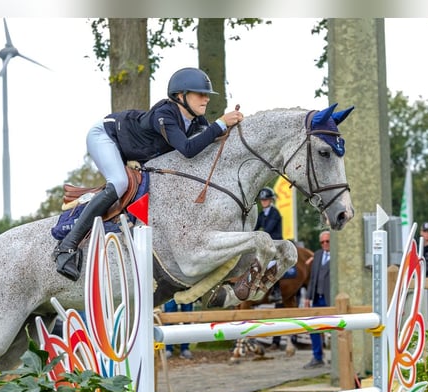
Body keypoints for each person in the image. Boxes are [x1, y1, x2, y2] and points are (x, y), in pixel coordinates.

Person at [55, 67, 244, 281]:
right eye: (200, 94)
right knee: (119, 183)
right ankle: (67, 246)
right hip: (106, 136)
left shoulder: (197, 121)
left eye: (207, 94)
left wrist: (229, 131)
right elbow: (188, 150)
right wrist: (220, 123)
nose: (206, 99)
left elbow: (206, 146)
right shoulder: (165, 115)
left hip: (136, 150)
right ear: (180, 96)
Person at [254, 186, 284, 347]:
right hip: (265, 243)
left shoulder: (275, 213)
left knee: (271, 263)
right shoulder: (260, 214)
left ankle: (277, 291)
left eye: (266, 199)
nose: (264, 202)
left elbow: (268, 230)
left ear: (271, 200)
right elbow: (255, 228)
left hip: (276, 242)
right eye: (263, 200)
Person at [304, 230, 331, 369]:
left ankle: (335, 357)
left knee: (334, 327)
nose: (325, 244)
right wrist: (308, 296)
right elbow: (313, 278)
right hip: (317, 298)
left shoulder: (337, 255)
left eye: (327, 241)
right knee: (314, 327)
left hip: (331, 299)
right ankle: (317, 357)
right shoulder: (318, 255)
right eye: (322, 242)